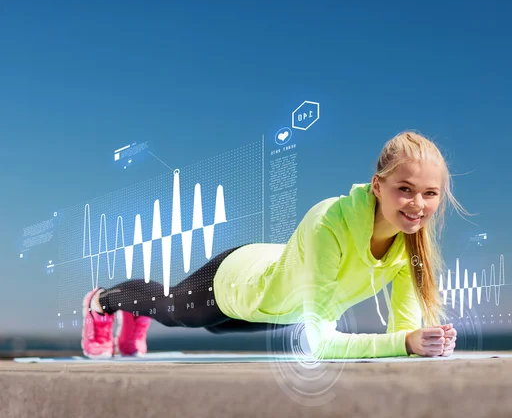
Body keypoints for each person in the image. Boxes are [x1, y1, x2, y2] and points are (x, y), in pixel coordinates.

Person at [81, 130, 470, 360]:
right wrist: (405, 342)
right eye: (405, 190)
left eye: (430, 193)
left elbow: (403, 334)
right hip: (240, 281)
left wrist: (423, 342)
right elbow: (317, 343)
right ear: (376, 186)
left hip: (283, 306)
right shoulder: (329, 222)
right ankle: (103, 303)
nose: (418, 205)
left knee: (221, 331)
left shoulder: (410, 248)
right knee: (174, 311)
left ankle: (133, 312)